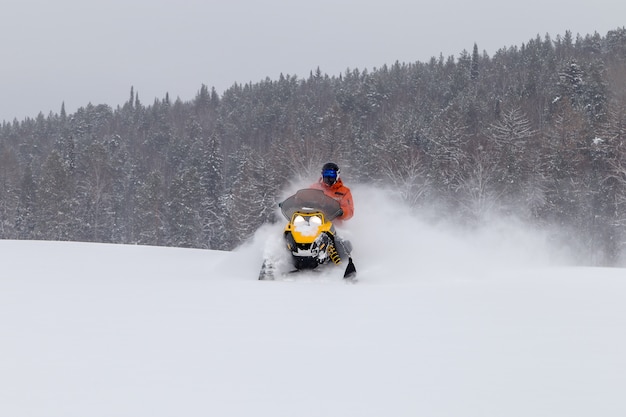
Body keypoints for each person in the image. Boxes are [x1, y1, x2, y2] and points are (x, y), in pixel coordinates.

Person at [310, 162, 356, 278]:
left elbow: (349, 211)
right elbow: (304, 198)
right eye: (326, 173)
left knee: (341, 241)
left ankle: (345, 266)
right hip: (313, 222)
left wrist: (341, 211)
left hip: (334, 224)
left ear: (337, 175)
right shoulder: (314, 188)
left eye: (331, 174)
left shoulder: (344, 191)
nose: (328, 177)